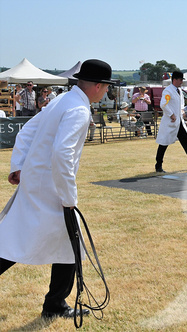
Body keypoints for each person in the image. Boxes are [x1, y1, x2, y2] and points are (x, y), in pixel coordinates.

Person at [0, 59, 114, 319]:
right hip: (49, 188)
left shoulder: (62, 101)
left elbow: (26, 131)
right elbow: (62, 154)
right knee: (26, 242)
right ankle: (55, 304)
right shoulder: (78, 110)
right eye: (106, 87)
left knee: (61, 244)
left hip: (39, 183)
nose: (106, 91)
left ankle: (55, 304)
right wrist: (68, 197)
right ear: (97, 86)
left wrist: (19, 165)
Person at [155, 71, 187, 173]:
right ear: (175, 79)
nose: (182, 82)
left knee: (186, 141)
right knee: (164, 143)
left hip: (179, 122)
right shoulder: (168, 91)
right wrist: (171, 114)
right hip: (170, 122)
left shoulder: (179, 90)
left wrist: (181, 111)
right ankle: (158, 165)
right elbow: (163, 104)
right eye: (181, 80)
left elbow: (180, 104)